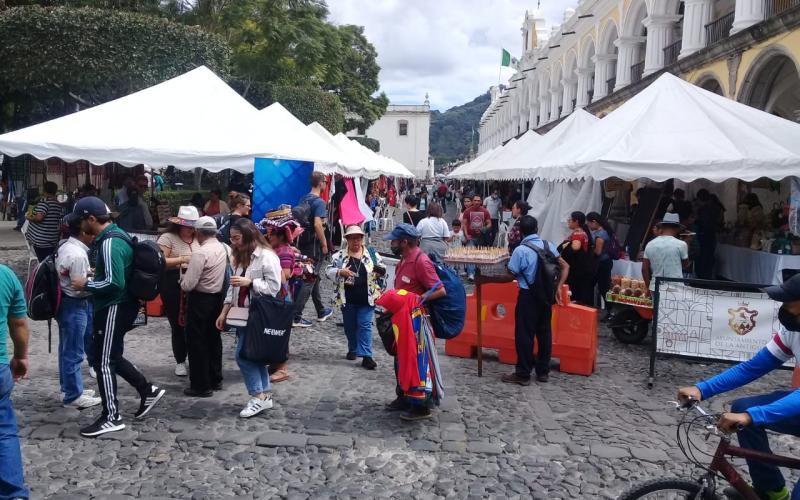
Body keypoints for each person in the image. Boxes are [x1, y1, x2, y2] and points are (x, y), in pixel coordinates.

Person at [677, 274, 800, 500]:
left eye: (789, 302)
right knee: (742, 407)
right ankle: (771, 490)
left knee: (750, 415)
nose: (783, 307)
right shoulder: (793, 330)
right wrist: (702, 388)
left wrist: (752, 416)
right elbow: (752, 367)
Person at [68, 197, 165, 437]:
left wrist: (87, 283)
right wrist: (97, 272)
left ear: (91, 219)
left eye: (81, 221)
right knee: (112, 356)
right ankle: (147, 390)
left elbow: (113, 282)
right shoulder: (116, 235)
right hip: (121, 305)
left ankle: (111, 416)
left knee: (102, 362)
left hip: (114, 306)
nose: (80, 227)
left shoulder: (109, 242)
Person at [215, 218, 282, 417]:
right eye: (231, 238)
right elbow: (233, 287)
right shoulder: (240, 256)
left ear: (248, 236)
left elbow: (274, 287)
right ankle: (264, 395)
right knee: (255, 355)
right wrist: (224, 311)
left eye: (236, 238)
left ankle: (258, 396)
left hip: (258, 315)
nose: (233, 242)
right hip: (242, 315)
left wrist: (250, 282)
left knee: (243, 356)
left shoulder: (266, 257)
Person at [383, 223, 446, 421]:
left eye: (394, 240)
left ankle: (421, 407)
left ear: (404, 242)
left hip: (416, 324)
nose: (391, 243)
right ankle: (403, 396)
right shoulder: (404, 259)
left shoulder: (421, 261)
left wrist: (417, 300)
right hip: (403, 321)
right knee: (401, 361)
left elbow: (440, 289)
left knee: (418, 364)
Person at [503, 215, 568, 385]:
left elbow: (511, 274)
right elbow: (565, 266)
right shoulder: (549, 246)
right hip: (547, 295)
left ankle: (523, 373)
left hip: (528, 296)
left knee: (525, 334)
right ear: (536, 229)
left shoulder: (520, 250)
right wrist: (559, 287)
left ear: (521, 232)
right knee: (544, 333)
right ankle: (542, 372)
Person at [55, 217, 101, 409]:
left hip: (65, 303)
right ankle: (73, 395)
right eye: (91, 232)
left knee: (66, 348)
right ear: (83, 233)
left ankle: (68, 388)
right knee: (74, 351)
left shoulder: (64, 246)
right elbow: (79, 286)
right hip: (75, 303)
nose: (94, 235)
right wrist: (99, 285)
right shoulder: (78, 255)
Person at [180, 216, 228, 397]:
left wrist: (182, 280)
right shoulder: (223, 248)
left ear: (198, 233)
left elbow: (188, 284)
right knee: (214, 340)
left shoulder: (201, 252)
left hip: (200, 300)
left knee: (197, 342)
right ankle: (215, 378)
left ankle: (201, 385)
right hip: (216, 299)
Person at [326, 225, 385, 370]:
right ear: (347, 240)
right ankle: (353, 348)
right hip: (347, 299)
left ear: (362, 239)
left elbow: (382, 269)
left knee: (365, 325)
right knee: (350, 327)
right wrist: (340, 271)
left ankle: (367, 356)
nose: (355, 242)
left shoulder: (371, 254)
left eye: (358, 238)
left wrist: (379, 272)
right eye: (352, 239)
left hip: (367, 298)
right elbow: (328, 271)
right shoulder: (339, 256)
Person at [262, 209, 306, 383]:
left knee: (278, 332)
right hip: (277, 295)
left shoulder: (284, 252)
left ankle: (281, 368)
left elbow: (285, 275)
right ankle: (275, 364)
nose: (268, 236)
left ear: (279, 235)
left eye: (271, 233)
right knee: (274, 331)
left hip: (281, 297)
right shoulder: (279, 249)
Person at [157, 206, 200, 377]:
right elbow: (160, 261)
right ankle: (180, 360)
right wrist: (182, 259)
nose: (190, 229)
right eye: (187, 225)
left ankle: (195, 357)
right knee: (177, 323)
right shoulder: (168, 238)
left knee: (195, 323)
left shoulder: (199, 237)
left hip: (196, 282)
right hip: (173, 283)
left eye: (193, 226)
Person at [0, 264, 30, 499]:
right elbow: (18, 324)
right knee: (3, 432)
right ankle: (14, 494)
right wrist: (20, 356)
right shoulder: (6, 275)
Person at [293, 172, 333, 328]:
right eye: (325, 182)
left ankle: (321, 310)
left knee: (313, 275)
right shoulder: (319, 202)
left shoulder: (304, 198)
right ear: (321, 183)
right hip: (315, 246)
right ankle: (296, 316)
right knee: (309, 279)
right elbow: (318, 224)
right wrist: (324, 244)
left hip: (303, 242)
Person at [642, 213, 689, 294]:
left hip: (655, 286)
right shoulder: (681, 244)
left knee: (656, 307)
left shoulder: (650, 244)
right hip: (675, 287)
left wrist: (648, 287)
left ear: (662, 227)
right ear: (677, 229)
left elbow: (644, 269)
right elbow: (685, 265)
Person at [558, 211, 595, 306]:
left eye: (570, 220)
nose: (568, 221)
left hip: (575, 269)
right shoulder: (581, 232)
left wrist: (566, 245)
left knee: (573, 292)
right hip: (581, 268)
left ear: (576, 221)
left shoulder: (578, 234)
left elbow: (575, 247)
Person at [26, 181, 65, 261]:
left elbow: (39, 217)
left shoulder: (45, 203)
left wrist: (28, 217)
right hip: (52, 239)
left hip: (41, 241)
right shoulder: (58, 204)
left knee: (43, 262)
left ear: (44, 191)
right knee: (49, 261)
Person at [587, 212, 617, 310]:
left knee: (603, 288)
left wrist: (591, 249)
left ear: (594, 222)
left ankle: (610, 310)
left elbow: (598, 252)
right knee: (593, 284)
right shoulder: (606, 231)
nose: (588, 226)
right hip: (606, 263)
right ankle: (591, 307)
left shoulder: (600, 235)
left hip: (601, 264)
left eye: (589, 223)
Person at [462, 194, 492, 281]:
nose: (476, 202)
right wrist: (466, 234)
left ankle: (475, 272)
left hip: (481, 238)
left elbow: (489, 223)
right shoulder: (467, 211)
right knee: (471, 254)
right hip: (470, 237)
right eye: (475, 200)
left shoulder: (485, 211)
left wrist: (484, 229)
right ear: (472, 201)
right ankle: (471, 274)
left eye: (478, 201)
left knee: (478, 256)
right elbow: (464, 224)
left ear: (481, 202)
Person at [695, 189, 721, 280]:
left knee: (703, 257)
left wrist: (696, 221)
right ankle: (707, 276)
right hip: (711, 236)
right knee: (709, 256)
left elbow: (704, 223)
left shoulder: (703, 210)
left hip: (704, 236)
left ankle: (702, 277)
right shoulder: (715, 208)